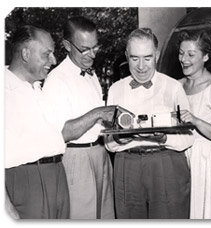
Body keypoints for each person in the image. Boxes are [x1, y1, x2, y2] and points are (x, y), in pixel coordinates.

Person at [5, 25, 128, 219]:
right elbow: (64, 131)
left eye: (95, 48)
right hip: (35, 173)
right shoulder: (46, 82)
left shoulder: (36, 87)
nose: (53, 61)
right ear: (26, 54)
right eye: (47, 54)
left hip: (58, 170)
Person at [104, 28, 194, 219]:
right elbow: (109, 143)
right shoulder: (115, 90)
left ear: (157, 55)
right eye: (135, 58)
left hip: (166, 163)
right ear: (127, 56)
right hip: (127, 166)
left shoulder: (173, 87)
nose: (141, 66)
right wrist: (122, 138)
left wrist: (164, 137)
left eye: (147, 58)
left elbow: (188, 138)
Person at [43, 16, 114, 219]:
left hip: (100, 154)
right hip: (76, 159)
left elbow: (97, 124)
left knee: (105, 216)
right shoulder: (57, 80)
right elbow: (62, 133)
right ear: (67, 45)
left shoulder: (91, 75)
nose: (91, 55)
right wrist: (97, 113)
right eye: (84, 49)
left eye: (95, 48)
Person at [177, 30, 211, 219]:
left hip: (209, 161)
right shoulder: (176, 86)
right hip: (182, 159)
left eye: (191, 54)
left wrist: (196, 121)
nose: (184, 59)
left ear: (206, 56)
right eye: (181, 53)